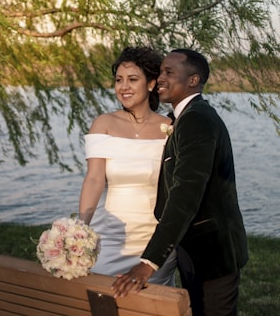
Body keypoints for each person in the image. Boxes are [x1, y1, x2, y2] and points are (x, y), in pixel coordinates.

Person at [112, 48, 248, 316]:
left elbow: (186, 194)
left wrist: (149, 263)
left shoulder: (197, 120)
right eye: (161, 71)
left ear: (193, 80)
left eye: (169, 72)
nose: (160, 78)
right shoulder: (183, 118)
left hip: (214, 253)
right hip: (195, 250)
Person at [79, 46, 177, 285]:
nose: (123, 87)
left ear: (151, 83)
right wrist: (80, 228)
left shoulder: (171, 127)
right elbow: (94, 179)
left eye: (133, 79)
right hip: (112, 236)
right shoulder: (103, 123)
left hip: (155, 236)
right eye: (119, 80)